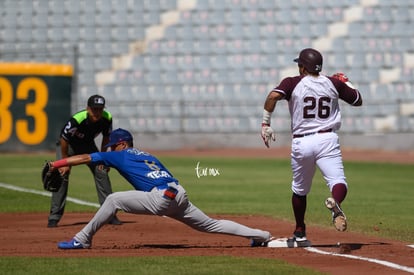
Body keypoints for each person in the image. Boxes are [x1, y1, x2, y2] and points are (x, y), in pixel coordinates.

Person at [51, 128, 273, 249]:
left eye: (111, 146)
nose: (109, 149)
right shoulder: (148, 155)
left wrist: (57, 163)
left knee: (113, 199)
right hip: (178, 193)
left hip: (161, 198)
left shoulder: (118, 154)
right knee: (211, 224)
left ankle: (83, 238)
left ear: (121, 144)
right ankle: (261, 236)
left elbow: (85, 157)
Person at [260, 48, 363, 243]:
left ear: (303, 67)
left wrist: (266, 123)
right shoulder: (333, 83)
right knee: (338, 181)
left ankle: (299, 230)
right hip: (327, 139)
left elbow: (273, 96)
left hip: (302, 141)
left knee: (299, 189)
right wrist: (345, 81)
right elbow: (358, 100)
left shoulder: (292, 82)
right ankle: (336, 202)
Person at [47, 95, 121, 228]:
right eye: (94, 109)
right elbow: (63, 139)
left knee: (101, 171)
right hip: (68, 146)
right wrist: (65, 162)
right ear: (88, 108)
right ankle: (54, 217)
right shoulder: (78, 119)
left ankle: (110, 215)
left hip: (88, 145)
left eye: (100, 109)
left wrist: (104, 158)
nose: (97, 112)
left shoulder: (107, 118)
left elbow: (106, 138)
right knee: (62, 174)